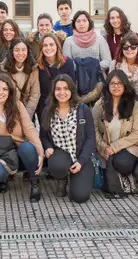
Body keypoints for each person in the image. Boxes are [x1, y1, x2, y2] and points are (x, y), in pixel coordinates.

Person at [0, 74, 45, 202]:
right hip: (2, 155)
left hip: (20, 153)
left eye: (5, 89)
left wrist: (41, 153)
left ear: (10, 91)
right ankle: (3, 180)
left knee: (27, 147)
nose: (1, 92)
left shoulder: (18, 106)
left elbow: (30, 129)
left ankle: (35, 183)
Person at [40, 75, 96, 203]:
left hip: (81, 156)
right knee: (57, 167)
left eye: (66, 88)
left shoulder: (83, 110)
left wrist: (81, 161)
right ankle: (63, 178)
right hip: (61, 154)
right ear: (53, 91)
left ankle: (77, 178)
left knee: (79, 197)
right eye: (58, 89)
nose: (62, 92)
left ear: (72, 90)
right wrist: (47, 146)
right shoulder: (48, 110)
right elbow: (43, 135)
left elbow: (90, 138)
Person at [92, 70, 138, 199]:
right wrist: (104, 148)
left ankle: (125, 179)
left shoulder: (134, 105)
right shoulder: (99, 105)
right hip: (106, 149)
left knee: (121, 162)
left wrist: (114, 147)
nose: (116, 86)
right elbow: (94, 131)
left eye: (120, 83)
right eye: (112, 83)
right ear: (107, 86)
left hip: (128, 147)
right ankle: (119, 183)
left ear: (125, 85)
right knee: (105, 185)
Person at [109, 33, 138, 111]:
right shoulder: (115, 64)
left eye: (133, 47)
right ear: (122, 49)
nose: (129, 50)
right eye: (126, 47)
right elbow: (110, 86)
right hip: (120, 107)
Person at [37, 32, 77, 118]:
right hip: (45, 108)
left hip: (64, 106)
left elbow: (72, 88)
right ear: (41, 48)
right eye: (45, 45)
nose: (48, 48)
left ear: (57, 46)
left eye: (51, 44)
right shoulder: (38, 66)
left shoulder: (67, 63)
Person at [0, 38, 40, 120]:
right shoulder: (4, 69)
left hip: (27, 111)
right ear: (12, 52)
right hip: (8, 113)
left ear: (28, 51)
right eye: (17, 50)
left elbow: (35, 95)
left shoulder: (33, 69)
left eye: (23, 50)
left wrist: (27, 116)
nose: (20, 53)